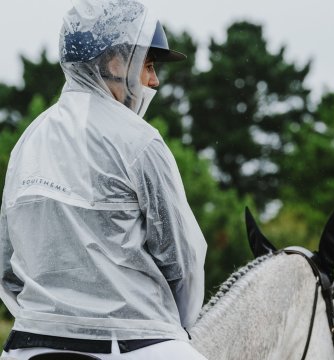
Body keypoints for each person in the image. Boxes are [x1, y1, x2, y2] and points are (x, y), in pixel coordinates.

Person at [0, 0, 207, 359]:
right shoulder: (139, 141)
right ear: (116, 63)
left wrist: (50, 319)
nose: (154, 81)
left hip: (28, 344)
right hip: (134, 341)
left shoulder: (28, 142)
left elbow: (5, 263)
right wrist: (177, 329)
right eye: (149, 65)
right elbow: (182, 261)